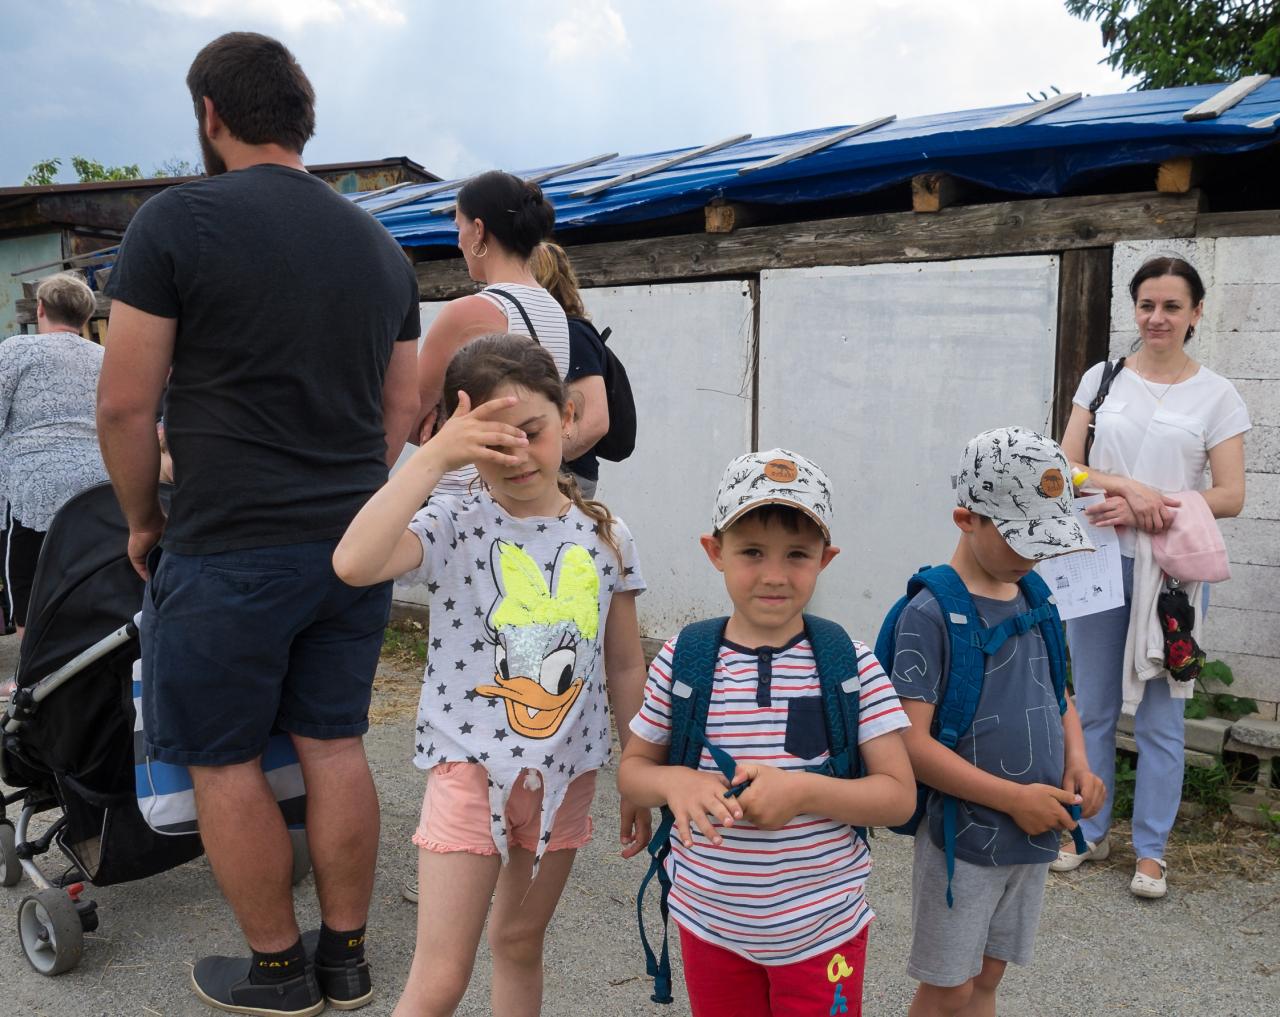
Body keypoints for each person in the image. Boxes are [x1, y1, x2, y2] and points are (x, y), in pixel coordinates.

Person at [96, 32, 421, 1016]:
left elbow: (124, 406)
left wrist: (142, 518)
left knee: (223, 756)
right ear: (302, 117)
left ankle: (278, 972)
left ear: (210, 113)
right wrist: (351, 494)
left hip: (228, 544)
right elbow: (401, 406)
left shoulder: (176, 221)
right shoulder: (380, 245)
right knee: (333, 743)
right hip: (351, 549)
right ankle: (347, 961)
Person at [333, 334, 651, 1017]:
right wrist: (433, 458)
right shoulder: (454, 522)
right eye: (491, 443)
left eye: (532, 432)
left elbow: (625, 662)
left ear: (568, 416)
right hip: (469, 775)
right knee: (440, 978)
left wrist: (639, 767)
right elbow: (353, 563)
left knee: (519, 942)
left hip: (565, 778)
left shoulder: (607, 535)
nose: (517, 456)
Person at [617, 449, 915, 1017]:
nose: (775, 574)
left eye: (797, 554)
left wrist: (802, 792)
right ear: (715, 552)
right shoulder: (685, 659)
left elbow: (899, 798)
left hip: (825, 929)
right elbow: (633, 770)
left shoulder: (849, 664)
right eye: (752, 551)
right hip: (709, 926)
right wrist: (676, 783)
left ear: (825, 560)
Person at [887, 427, 1105, 1017]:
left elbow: (1058, 692)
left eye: (1046, 537)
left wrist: (1079, 762)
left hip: (1032, 828)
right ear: (967, 519)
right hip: (964, 836)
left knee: (988, 975)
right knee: (949, 987)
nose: (1034, 555)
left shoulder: (1036, 598)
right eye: (1020, 538)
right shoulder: (929, 614)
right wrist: (1013, 799)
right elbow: (910, 743)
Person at [1053, 257, 1249, 899]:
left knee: (1163, 714)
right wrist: (1122, 487)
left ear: (1196, 313)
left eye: (1171, 307)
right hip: (1098, 560)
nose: (1156, 318)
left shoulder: (1217, 395)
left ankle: (1152, 850)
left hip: (1172, 577)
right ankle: (1089, 830)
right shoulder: (1103, 378)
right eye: (1146, 305)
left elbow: (1230, 495)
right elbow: (1064, 467)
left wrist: (1152, 505)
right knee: (1094, 706)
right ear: (1134, 308)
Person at [416, 172, 570, 497]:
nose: (458, 241)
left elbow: (411, 415)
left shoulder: (469, 311)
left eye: (459, 227)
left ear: (479, 230)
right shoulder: (554, 308)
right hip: (518, 490)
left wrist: (439, 414)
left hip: (463, 496)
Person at [0, 272, 107, 640]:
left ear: (40, 308)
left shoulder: (16, 349)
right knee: (87, 573)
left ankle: (29, 663)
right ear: (87, 316)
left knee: (27, 578)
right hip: (98, 484)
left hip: (34, 485)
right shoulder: (105, 356)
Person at [529, 242, 609, 497]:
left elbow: (596, 421)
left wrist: (542, 460)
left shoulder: (571, 333)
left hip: (568, 475)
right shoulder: (559, 330)